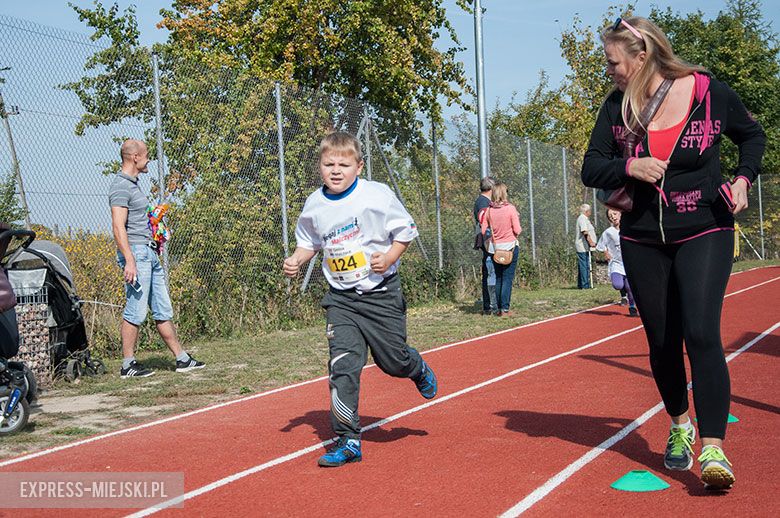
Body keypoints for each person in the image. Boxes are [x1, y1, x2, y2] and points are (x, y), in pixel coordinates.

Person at [582, 16, 765, 489]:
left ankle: (714, 449)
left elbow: (753, 135)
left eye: (613, 62)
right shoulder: (617, 107)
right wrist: (630, 164)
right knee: (662, 342)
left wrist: (743, 178)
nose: (609, 71)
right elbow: (592, 167)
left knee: (702, 332)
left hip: (705, 226)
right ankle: (680, 425)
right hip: (642, 237)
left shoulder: (708, 92)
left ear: (641, 57)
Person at [283, 131, 438, 468]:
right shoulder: (315, 205)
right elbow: (310, 242)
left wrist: (390, 255)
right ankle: (348, 439)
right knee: (343, 368)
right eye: (329, 164)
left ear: (359, 166)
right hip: (341, 300)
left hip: (381, 296)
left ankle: (415, 366)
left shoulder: (376, 196)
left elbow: (406, 231)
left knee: (392, 362)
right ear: (320, 167)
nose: (336, 170)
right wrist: (297, 259)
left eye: (344, 164)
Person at [109, 139, 205, 378]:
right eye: (147, 155)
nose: (149, 159)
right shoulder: (120, 186)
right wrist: (130, 261)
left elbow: (135, 221)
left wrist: (154, 220)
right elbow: (118, 226)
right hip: (137, 254)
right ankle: (127, 364)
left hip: (149, 252)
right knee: (136, 309)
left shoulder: (133, 185)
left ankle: (182, 359)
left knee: (162, 308)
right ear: (135, 158)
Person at [479, 182, 521, 316]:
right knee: (507, 278)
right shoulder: (510, 209)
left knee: (498, 278)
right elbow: (517, 229)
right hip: (509, 247)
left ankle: (497, 308)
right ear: (504, 193)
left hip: (494, 248)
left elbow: (483, 228)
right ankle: (505, 309)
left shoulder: (489, 210)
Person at [596, 208, 637, 316]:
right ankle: (623, 291)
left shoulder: (629, 229)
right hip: (616, 263)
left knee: (629, 288)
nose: (613, 217)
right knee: (618, 285)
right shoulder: (608, 232)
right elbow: (601, 245)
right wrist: (606, 252)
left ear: (620, 214)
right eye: (610, 216)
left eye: (614, 214)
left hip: (629, 262)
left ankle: (632, 307)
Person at [473, 176, 497, 314]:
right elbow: (484, 221)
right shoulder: (483, 202)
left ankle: (489, 303)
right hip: (487, 241)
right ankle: (490, 304)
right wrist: (490, 240)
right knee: (491, 272)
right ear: (491, 188)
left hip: (486, 240)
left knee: (489, 271)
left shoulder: (483, 201)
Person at [575, 204, 597, 289]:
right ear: (586, 211)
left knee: (583, 265)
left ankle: (581, 284)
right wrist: (591, 242)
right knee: (585, 265)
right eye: (590, 211)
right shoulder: (582, 219)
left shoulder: (584, 219)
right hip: (582, 246)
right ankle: (585, 285)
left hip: (585, 246)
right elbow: (584, 231)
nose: (590, 212)